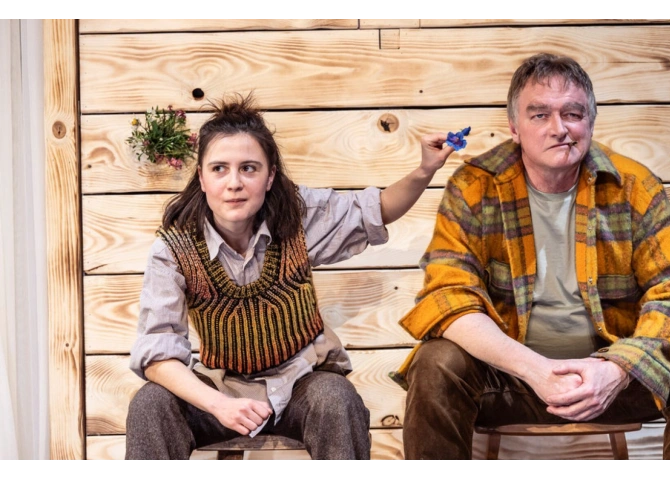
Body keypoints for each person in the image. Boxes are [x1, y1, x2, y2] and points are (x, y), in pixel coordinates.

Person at [393, 52, 670, 461]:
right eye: (539, 115)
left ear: (589, 122)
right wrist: (535, 370)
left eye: (573, 113)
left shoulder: (634, 186)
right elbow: (448, 296)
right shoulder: (473, 187)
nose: (559, 128)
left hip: (612, 381)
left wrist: (618, 368)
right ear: (514, 127)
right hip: (510, 381)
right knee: (435, 361)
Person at [125, 93, 453, 461]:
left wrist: (425, 170)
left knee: (336, 398)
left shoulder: (298, 216)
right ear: (201, 177)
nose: (234, 182)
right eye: (219, 169)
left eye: (249, 168)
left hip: (300, 382)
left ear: (270, 177)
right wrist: (219, 405)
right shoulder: (174, 248)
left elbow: (376, 210)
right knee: (151, 404)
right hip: (219, 388)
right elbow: (157, 353)